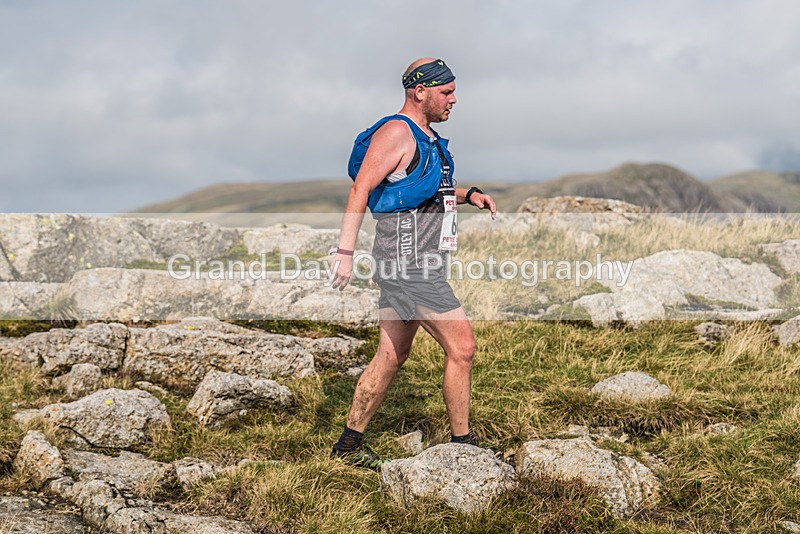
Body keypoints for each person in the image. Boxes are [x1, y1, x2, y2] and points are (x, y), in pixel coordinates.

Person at [329, 57, 497, 469]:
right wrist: (345, 253)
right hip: (408, 265)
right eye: (446, 92)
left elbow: (426, 188)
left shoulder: (427, 138)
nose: (453, 99)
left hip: (413, 263)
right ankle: (463, 447)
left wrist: (469, 194)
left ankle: (347, 447)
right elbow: (361, 190)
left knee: (391, 354)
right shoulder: (396, 133)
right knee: (463, 347)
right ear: (420, 91)